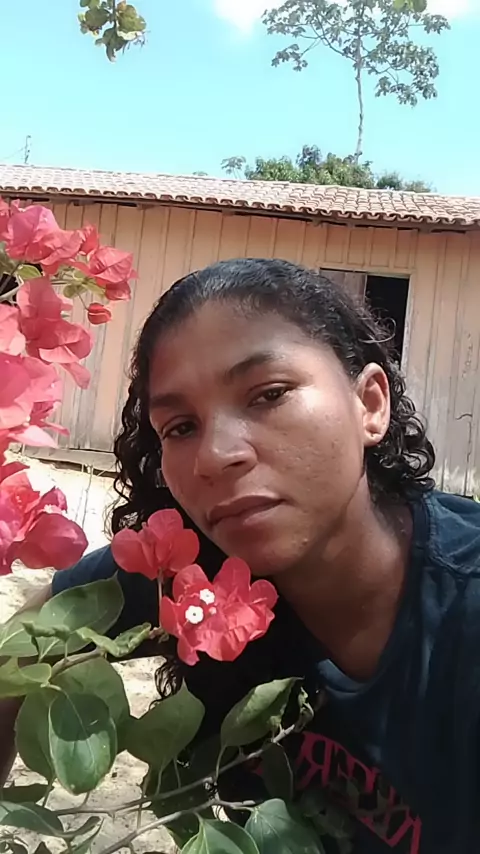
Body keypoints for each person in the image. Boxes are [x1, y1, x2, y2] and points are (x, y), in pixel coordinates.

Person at [2, 258, 480, 854]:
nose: (216, 455)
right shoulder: (187, 574)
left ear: (370, 404)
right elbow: (23, 645)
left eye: (268, 395)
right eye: (181, 427)